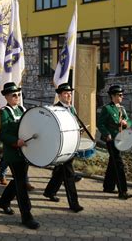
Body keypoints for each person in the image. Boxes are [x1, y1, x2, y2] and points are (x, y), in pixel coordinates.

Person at [0, 82, 40, 230]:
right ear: (7, 97)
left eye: (18, 94)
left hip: (24, 153)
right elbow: (1, 134)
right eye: (13, 95)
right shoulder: (4, 112)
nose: (17, 97)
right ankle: (27, 216)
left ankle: (3, 201)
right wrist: (16, 141)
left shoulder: (23, 109)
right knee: (21, 184)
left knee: (18, 179)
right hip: (13, 154)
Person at [43, 83, 84, 212]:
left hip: (71, 145)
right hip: (61, 147)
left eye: (70, 93)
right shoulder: (55, 109)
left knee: (61, 172)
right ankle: (74, 203)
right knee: (69, 174)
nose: (69, 95)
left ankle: (49, 192)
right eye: (66, 93)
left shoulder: (72, 109)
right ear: (59, 95)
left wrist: (79, 130)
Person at [98, 85, 132, 199]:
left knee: (113, 162)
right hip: (111, 139)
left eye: (122, 95)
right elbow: (100, 124)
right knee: (119, 164)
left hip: (121, 139)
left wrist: (126, 123)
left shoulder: (121, 108)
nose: (122, 96)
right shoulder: (107, 108)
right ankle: (123, 191)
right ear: (113, 96)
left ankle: (108, 186)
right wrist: (106, 133)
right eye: (119, 95)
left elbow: (129, 120)